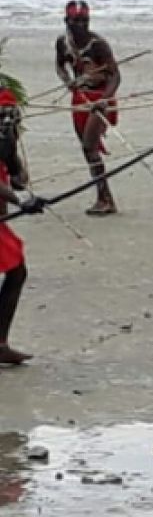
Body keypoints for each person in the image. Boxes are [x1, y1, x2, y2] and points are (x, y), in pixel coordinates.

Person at [54, 0, 121, 215]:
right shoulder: (63, 43)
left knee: (89, 146)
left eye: (85, 21)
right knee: (87, 149)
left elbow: (115, 76)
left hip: (100, 98)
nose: (81, 25)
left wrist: (105, 99)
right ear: (67, 21)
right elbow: (60, 65)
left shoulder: (98, 44)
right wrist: (67, 81)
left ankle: (105, 199)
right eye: (76, 21)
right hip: (79, 98)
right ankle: (104, 197)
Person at [0, 87, 45, 367]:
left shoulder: (6, 139)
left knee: (17, 271)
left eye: (11, 118)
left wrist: (21, 184)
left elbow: (17, 177)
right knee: (16, 271)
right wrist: (19, 200)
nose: (8, 122)